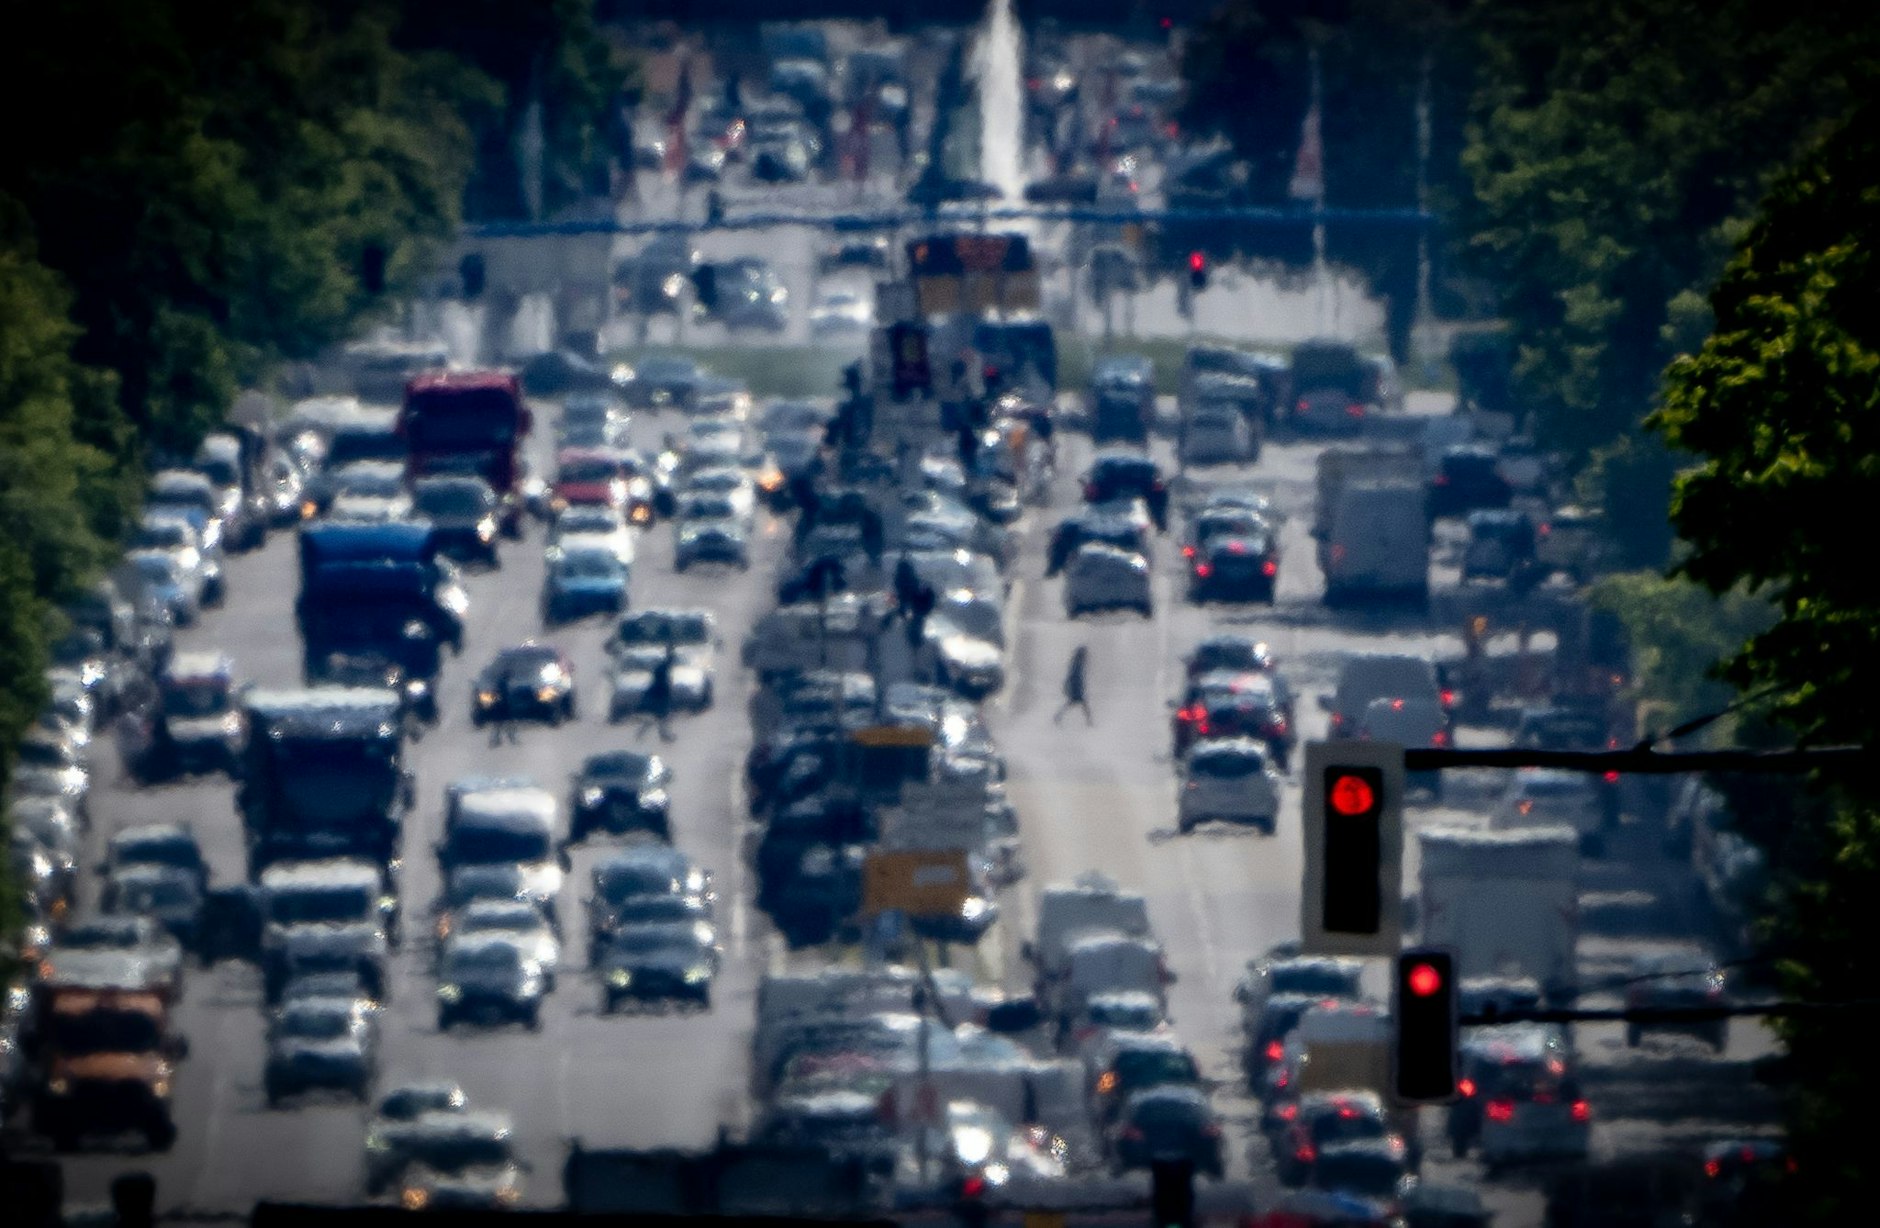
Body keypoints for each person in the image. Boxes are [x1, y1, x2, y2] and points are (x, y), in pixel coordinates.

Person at [637, 645, 676, 743]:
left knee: (660, 717)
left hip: (659, 694)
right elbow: (661, 683)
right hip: (660, 695)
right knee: (659, 717)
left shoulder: (663, 667)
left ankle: (661, 735)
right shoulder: (663, 668)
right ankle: (643, 734)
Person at [1054, 646, 1092, 726]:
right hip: (1076, 688)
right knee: (1082, 704)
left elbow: (1074, 676)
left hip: (1075, 688)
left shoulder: (1076, 662)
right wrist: (1078, 687)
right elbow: (1076, 676)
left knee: (1074, 704)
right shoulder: (1078, 663)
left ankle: (1058, 717)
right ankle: (1089, 722)